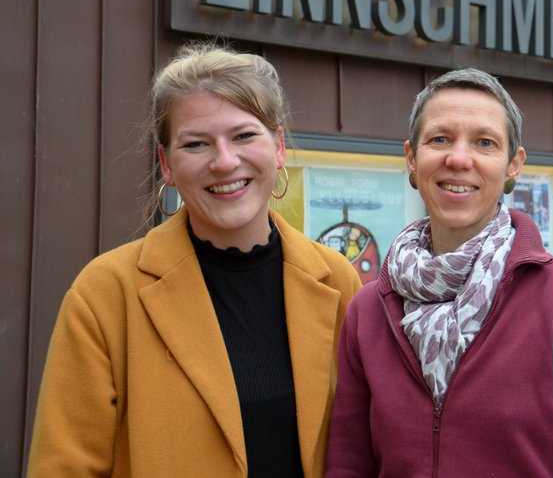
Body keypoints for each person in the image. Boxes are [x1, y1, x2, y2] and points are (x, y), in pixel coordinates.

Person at [28, 42, 362, 477]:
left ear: (278, 147)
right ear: (167, 164)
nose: (224, 162)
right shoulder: (106, 293)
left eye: (244, 135)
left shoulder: (337, 281)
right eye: (196, 144)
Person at [325, 68, 553, 477]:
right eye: (440, 139)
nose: (459, 158)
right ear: (412, 158)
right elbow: (349, 465)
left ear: (512, 166)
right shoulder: (368, 310)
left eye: (484, 143)